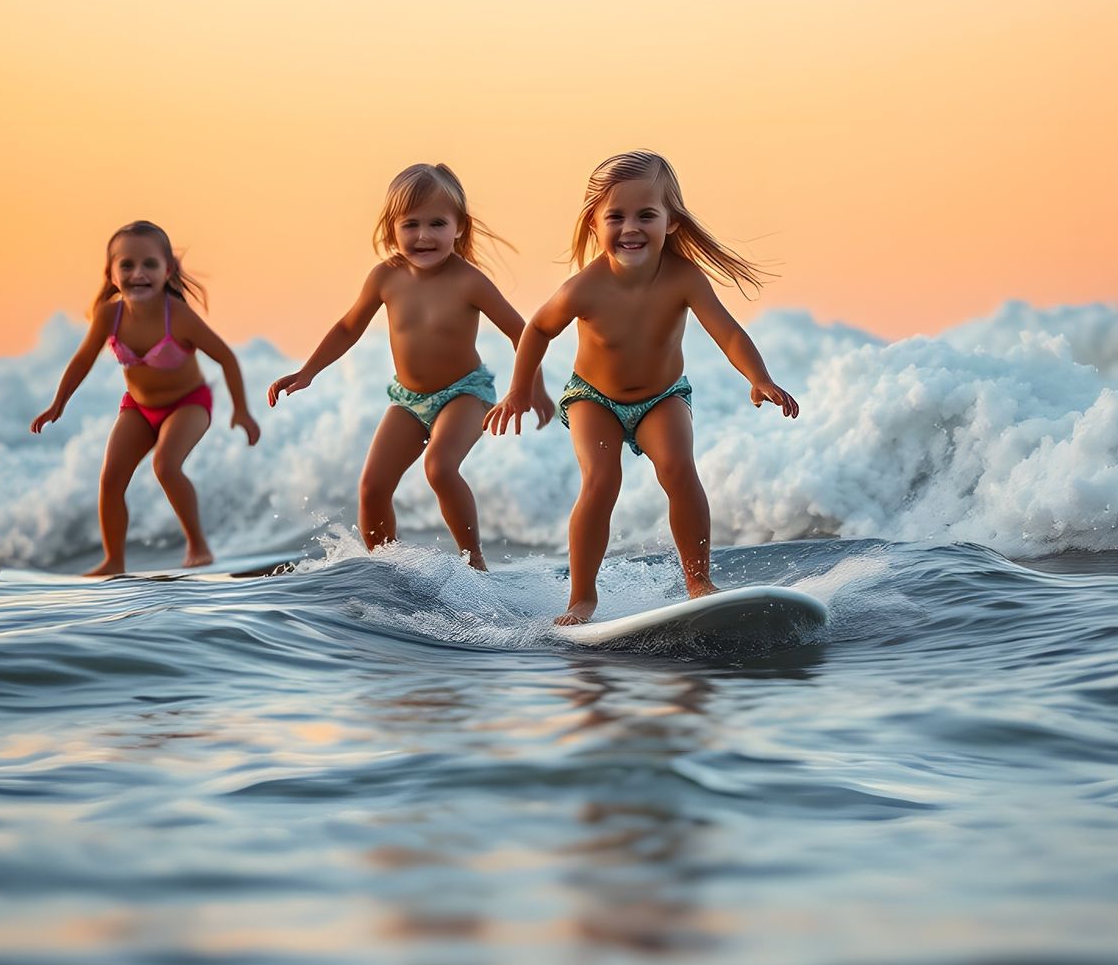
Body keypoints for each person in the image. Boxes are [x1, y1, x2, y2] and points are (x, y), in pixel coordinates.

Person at [484, 150, 798, 623]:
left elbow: (728, 332)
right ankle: (582, 598)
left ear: (671, 222)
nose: (630, 227)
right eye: (616, 216)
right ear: (594, 223)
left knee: (677, 468)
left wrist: (759, 378)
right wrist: (519, 390)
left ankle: (698, 581)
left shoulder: (684, 279)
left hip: (663, 397)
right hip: (594, 398)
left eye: (646, 215)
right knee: (601, 480)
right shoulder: (584, 286)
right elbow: (538, 329)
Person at [267, 163, 552, 569]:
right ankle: (386, 570)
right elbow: (349, 326)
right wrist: (308, 370)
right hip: (408, 399)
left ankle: (476, 566)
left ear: (459, 227)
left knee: (439, 467)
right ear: (391, 229)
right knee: (372, 487)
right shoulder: (385, 277)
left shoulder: (469, 281)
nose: (423, 235)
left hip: (465, 393)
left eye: (437, 223)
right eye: (411, 224)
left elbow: (522, 332)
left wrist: (526, 388)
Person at [32, 220, 261, 577]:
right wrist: (58, 403)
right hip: (139, 408)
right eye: (127, 265)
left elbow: (226, 357)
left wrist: (242, 411)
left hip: (189, 404)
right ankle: (114, 561)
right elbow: (82, 359)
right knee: (110, 479)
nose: (138, 273)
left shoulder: (178, 316)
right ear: (110, 273)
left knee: (166, 466)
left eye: (149, 264)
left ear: (167, 270)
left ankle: (198, 546)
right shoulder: (109, 315)